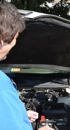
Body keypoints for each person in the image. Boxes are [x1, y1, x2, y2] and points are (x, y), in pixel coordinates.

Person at [0, 2, 54, 130]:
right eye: (16, 38)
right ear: (1, 41)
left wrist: (19, 115)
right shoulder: (2, 88)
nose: (15, 43)